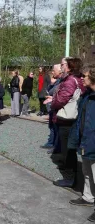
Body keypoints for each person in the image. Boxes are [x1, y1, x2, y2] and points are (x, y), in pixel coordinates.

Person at [51, 57, 86, 188]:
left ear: (70, 67)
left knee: (68, 149)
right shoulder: (77, 79)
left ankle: (69, 178)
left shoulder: (70, 80)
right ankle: (71, 175)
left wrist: (53, 102)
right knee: (69, 148)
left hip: (67, 120)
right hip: (72, 118)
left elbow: (61, 99)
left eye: (63, 65)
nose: (61, 67)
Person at [68, 68, 95, 222]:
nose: (82, 79)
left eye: (85, 76)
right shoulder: (86, 95)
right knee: (87, 171)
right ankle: (88, 197)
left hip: (93, 140)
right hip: (86, 139)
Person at [42, 65, 62, 153]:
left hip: (56, 107)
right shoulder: (56, 81)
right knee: (52, 126)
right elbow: (49, 90)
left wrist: (52, 85)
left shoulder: (60, 81)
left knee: (55, 127)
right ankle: (51, 142)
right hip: (52, 106)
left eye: (54, 70)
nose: (52, 72)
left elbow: (51, 92)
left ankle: (55, 146)